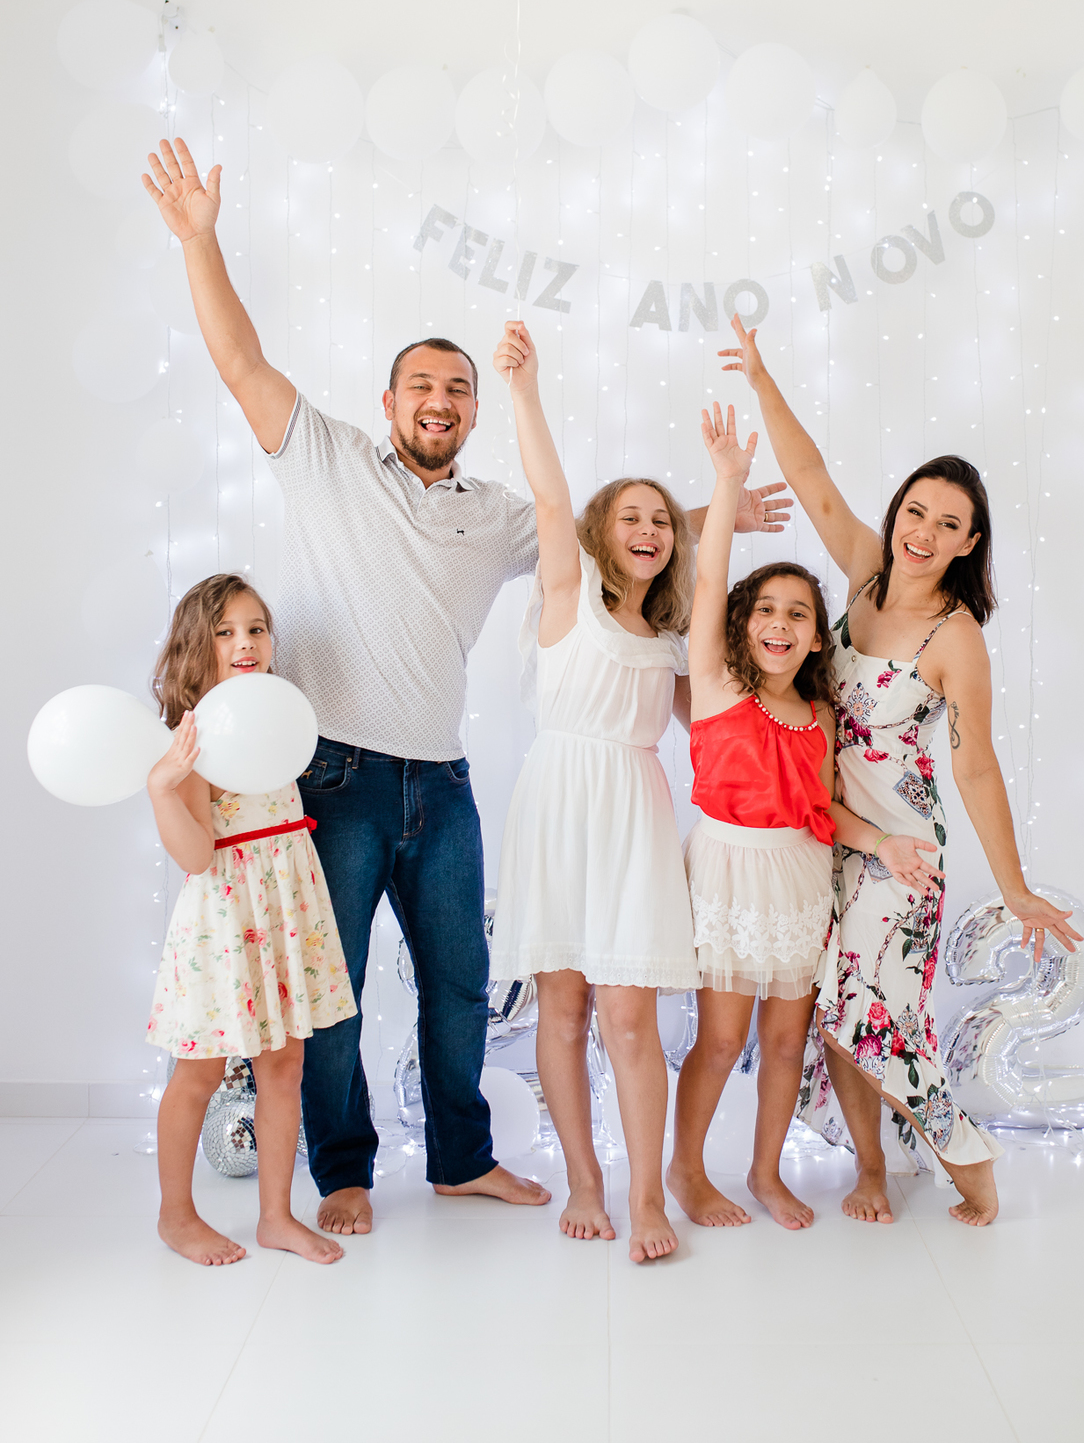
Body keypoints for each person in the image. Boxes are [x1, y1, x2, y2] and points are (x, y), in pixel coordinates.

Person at [140, 137, 789, 1237]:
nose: (439, 401)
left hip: (441, 783)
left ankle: (461, 1161)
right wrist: (202, 241)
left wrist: (703, 513)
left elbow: (590, 536)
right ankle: (344, 1173)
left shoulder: (492, 515)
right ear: (389, 400)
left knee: (461, 982)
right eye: (423, 386)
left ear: (475, 414)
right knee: (335, 992)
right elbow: (242, 364)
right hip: (332, 773)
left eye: (458, 390)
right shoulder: (331, 460)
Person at [720, 315, 1082, 1226]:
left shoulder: (956, 639)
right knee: (839, 1017)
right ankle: (872, 1166)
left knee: (874, 1014)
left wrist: (1015, 887)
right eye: (916, 511)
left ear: (969, 543)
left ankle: (970, 1162)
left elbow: (979, 770)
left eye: (947, 524)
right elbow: (811, 478)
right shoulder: (865, 577)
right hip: (828, 833)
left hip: (902, 854)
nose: (924, 531)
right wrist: (761, 379)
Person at [489, 319, 699, 1264]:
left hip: (633, 814)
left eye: (662, 520)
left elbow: (715, 722)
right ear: (600, 535)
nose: (649, 531)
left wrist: (721, 514)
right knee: (564, 1009)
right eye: (632, 518)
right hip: (559, 802)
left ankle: (648, 1195)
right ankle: (584, 1180)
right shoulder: (567, 595)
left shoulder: (669, 639)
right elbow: (549, 496)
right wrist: (526, 392)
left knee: (630, 1016)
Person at [146, 574, 354, 1266]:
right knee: (200, 1071)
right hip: (227, 914)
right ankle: (176, 1216)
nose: (246, 642)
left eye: (257, 628)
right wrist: (163, 790)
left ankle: (275, 1216)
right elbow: (196, 855)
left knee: (285, 1063)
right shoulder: (197, 735)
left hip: (285, 901)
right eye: (226, 631)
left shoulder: (271, 713)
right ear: (197, 643)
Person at [666, 403, 837, 1232]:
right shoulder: (716, 685)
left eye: (798, 614)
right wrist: (728, 483)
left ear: (816, 640)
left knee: (785, 1042)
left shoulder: (820, 716)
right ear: (743, 622)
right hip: (728, 872)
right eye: (767, 608)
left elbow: (825, 807)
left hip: (799, 876)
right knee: (722, 1038)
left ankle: (767, 1172)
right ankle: (687, 1170)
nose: (780, 623)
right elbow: (706, 582)